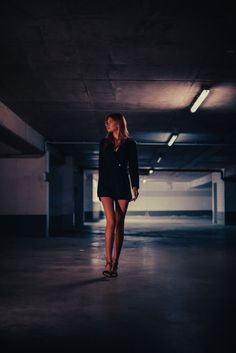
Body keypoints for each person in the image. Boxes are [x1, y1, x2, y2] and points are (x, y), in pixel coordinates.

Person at [97, 112, 140, 278]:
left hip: (122, 184)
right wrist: (99, 189)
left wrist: (135, 186)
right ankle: (107, 262)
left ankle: (115, 262)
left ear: (118, 123)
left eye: (109, 122)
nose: (106, 125)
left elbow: (133, 166)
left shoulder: (130, 144)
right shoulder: (103, 143)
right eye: (106, 122)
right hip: (106, 185)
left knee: (120, 223)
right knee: (111, 221)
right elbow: (101, 167)